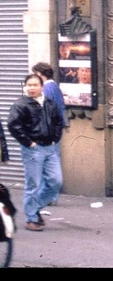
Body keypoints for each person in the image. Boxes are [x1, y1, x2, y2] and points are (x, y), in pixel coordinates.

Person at [7, 73, 64, 232]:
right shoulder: (21, 104)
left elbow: (59, 121)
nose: (32, 88)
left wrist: (56, 137)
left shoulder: (49, 103)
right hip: (33, 150)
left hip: (50, 148)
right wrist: (29, 143)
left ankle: (33, 208)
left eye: (35, 85)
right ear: (25, 87)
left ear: (41, 87)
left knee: (56, 182)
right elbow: (13, 125)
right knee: (33, 184)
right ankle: (31, 218)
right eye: (29, 85)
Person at [32, 62, 67, 206]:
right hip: (54, 131)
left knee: (45, 163)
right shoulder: (55, 88)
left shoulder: (47, 89)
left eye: (35, 74)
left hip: (47, 132)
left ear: (41, 74)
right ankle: (51, 196)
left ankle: (48, 196)